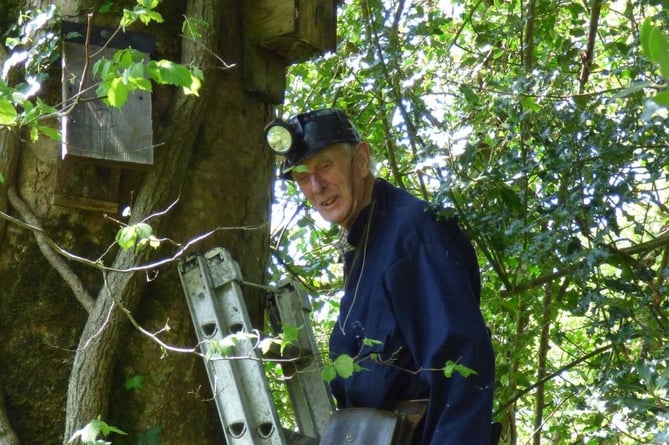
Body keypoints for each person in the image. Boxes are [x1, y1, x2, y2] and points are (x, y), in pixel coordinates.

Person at [264, 108, 496, 444]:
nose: (315, 186)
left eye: (326, 165)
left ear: (360, 160)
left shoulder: (412, 236)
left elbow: (464, 365)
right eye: (302, 175)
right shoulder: (366, 241)